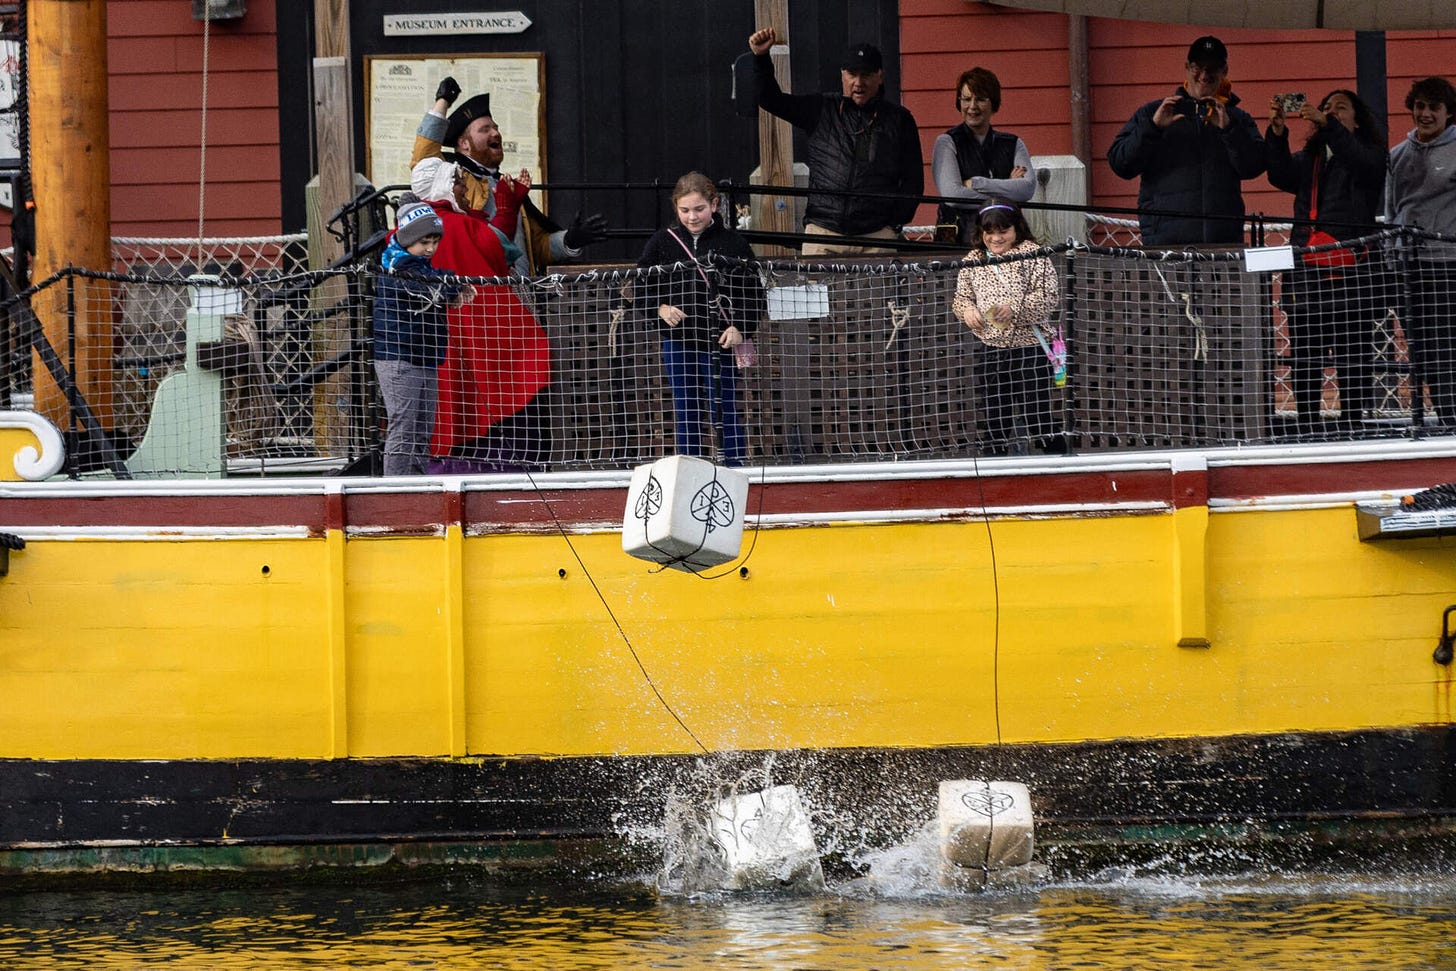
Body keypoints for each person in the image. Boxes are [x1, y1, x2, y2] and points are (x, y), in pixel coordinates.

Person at [413, 161, 553, 472]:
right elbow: (494, 247)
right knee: (508, 388)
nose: (464, 190)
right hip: (481, 330)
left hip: (433, 342)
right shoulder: (457, 225)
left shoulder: (414, 230)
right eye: (458, 182)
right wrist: (506, 208)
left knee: (450, 407)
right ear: (444, 186)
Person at [1265, 89, 1388, 435]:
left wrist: (1330, 126)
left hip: (1352, 274)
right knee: (1306, 354)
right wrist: (1277, 133)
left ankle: (1352, 424)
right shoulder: (1310, 159)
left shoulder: (1371, 156)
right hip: (1307, 272)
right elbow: (1278, 174)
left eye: (1340, 108)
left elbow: (1362, 164)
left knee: (1352, 355)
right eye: (1325, 108)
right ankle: (1307, 426)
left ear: (1357, 119)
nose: (1330, 112)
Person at [746, 27, 923, 255]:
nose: (858, 82)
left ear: (880, 76)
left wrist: (893, 224)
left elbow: (913, 180)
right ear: (842, 75)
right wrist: (761, 58)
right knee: (817, 291)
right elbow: (771, 101)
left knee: (880, 293)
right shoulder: (822, 108)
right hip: (824, 232)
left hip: (877, 236)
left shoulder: (900, 119)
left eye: (866, 75)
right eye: (852, 74)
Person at [412, 77, 610, 275]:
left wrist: (570, 240)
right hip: (478, 291)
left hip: (518, 292)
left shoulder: (509, 186)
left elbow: (536, 246)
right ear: (464, 143)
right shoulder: (449, 178)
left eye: (496, 127)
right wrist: (442, 102)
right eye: (485, 129)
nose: (496, 133)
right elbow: (423, 160)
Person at [635, 173, 766, 466]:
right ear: (675, 209)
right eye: (685, 210)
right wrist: (659, 308)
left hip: (719, 342)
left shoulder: (734, 243)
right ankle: (691, 469)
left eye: (699, 209)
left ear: (714, 205)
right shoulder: (661, 242)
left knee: (726, 409)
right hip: (679, 342)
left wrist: (740, 327)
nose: (692, 217)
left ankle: (734, 468)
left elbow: (754, 293)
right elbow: (639, 285)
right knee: (686, 409)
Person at [1106, 36, 1265, 246]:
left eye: (1213, 69)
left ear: (1224, 71)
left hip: (1223, 244)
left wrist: (1229, 129)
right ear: (1187, 67)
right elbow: (1121, 164)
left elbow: (1254, 167)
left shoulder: (1237, 118)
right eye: (1198, 67)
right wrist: (1153, 127)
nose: (1205, 75)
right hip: (1165, 245)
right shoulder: (1154, 112)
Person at [950, 201, 1063, 455]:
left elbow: (1048, 297)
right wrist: (967, 311)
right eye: (989, 232)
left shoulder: (1034, 254)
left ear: (1016, 229)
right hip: (990, 348)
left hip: (1030, 349)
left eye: (1003, 231)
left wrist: (1014, 309)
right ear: (981, 232)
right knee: (994, 419)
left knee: (1038, 416)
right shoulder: (973, 259)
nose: (996, 238)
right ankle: (993, 472)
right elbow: (961, 298)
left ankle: (1058, 462)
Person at [373, 197, 475, 475]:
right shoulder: (398, 265)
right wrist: (455, 287)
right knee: (403, 426)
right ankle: (395, 490)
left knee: (422, 428)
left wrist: (452, 285)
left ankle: (417, 483)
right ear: (406, 239)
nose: (431, 248)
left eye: (434, 241)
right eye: (423, 242)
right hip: (399, 356)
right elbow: (427, 289)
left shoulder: (421, 265)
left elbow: (437, 283)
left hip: (426, 354)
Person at [1385, 76, 1456, 426]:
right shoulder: (1397, 154)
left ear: (1448, 113)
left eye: (1434, 108)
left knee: (1446, 344)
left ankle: (1451, 417)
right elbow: (1391, 208)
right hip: (1406, 264)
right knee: (1421, 347)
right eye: (1419, 106)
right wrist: (1390, 253)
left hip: (1447, 263)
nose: (1425, 114)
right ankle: (1444, 416)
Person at [933, 67, 1037, 244]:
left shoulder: (1013, 143)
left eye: (980, 99)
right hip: (959, 240)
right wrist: (1008, 189)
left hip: (1003, 240)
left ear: (993, 103)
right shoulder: (946, 142)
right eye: (966, 99)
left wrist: (976, 183)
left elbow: (1027, 189)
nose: (972, 107)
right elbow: (952, 195)